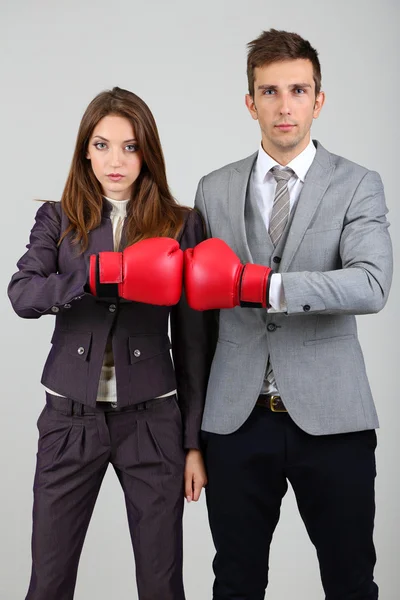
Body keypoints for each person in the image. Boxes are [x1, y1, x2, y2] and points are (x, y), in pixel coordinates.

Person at [183, 29, 393, 600]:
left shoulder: (357, 186)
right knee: (235, 583)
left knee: (351, 582)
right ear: (250, 102)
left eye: (298, 90)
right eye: (269, 91)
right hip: (234, 421)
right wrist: (191, 438)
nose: (284, 105)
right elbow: (196, 326)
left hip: (334, 421)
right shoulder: (213, 189)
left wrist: (267, 286)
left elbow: (372, 284)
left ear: (318, 100)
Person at [8, 86, 213, 600]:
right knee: (49, 583)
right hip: (68, 421)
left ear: (148, 152)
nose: (115, 160)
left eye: (130, 146)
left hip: (152, 422)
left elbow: (192, 343)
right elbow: (23, 293)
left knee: (162, 585)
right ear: (85, 151)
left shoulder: (181, 224)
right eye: (102, 145)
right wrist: (91, 276)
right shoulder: (58, 218)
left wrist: (193, 443)